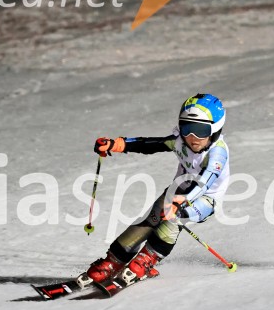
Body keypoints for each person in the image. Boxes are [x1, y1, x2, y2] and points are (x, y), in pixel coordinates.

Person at [87, 93, 230, 282]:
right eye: (187, 128)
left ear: (215, 130)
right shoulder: (181, 141)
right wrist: (117, 144)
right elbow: (150, 144)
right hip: (179, 189)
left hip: (205, 198)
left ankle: (146, 260)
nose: (192, 137)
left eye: (201, 131)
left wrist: (184, 201)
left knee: (173, 219)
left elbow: (205, 181)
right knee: (150, 220)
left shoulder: (217, 153)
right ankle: (113, 260)